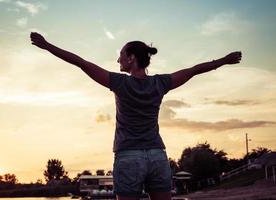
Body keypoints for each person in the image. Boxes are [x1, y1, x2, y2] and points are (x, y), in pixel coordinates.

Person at [30, 32, 242, 200]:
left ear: (131, 59)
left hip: (129, 157)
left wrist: (47, 46)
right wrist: (224, 60)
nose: (117, 59)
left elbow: (81, 63)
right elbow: (194, 69)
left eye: (121, 55)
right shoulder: (161, 83)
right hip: (158, 156)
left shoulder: (120, 83)